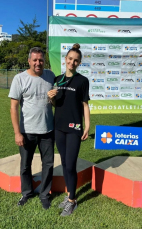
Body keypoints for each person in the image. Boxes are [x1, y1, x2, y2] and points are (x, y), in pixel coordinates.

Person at [8, 47, 55, 210]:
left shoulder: (50, 76)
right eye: (34, 60)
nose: (38, 63)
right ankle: (27, 192)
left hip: (48, 130)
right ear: (29, 61)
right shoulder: (19, 79)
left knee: (48, 164)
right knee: (25, 165)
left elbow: (55, 101)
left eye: (41, 60)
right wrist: (17, 132)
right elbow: (13, 107)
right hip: (27, 131)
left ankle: (44, 194)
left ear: (44, 61)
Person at [48, 43, 90, 216]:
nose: (72, 62)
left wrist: (87, 125)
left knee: (71, 164)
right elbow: (56, 104)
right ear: (65, 59)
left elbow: (85, 105)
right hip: (59, 127)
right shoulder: (57, 80)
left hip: (74, 128)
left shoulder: (82, 81)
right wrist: (51, 99)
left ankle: (72, 201)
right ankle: (69, 195)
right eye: (70, 59)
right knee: (64, 163)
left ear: (79, 63)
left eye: (76, 60)